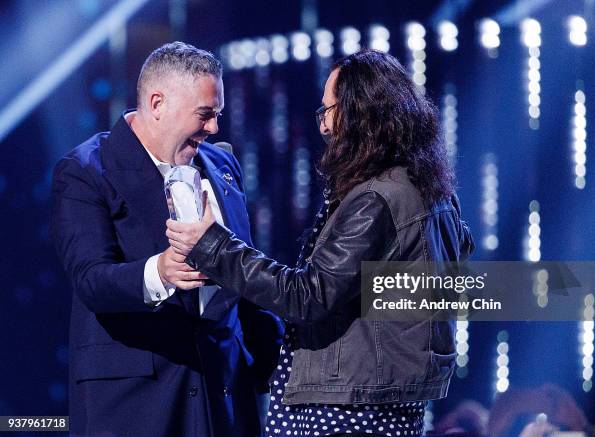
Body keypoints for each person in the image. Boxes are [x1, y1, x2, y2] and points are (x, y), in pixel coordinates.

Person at [166, 49, 475, 437]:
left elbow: (307, 296)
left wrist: (214, 245)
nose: (325, 126)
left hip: (348, 405)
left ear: (361, 114)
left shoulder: (377, 199)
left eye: (329, 110)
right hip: (386, 399)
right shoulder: (431, 190)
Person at [51, 41, 281, 437]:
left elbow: (244, 279)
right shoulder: (86, 170)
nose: (214, 128)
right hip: (134, 404)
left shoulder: (223, 164)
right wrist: (160, 271)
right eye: (205, 115)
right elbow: (90, 279)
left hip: (223, 396)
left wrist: (283, 356)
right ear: (158, 104)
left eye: (218, 114)